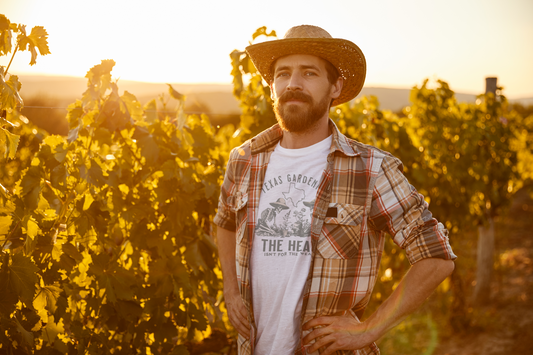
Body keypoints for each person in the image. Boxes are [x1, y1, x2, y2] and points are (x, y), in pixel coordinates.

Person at [214, 25, 456, 355]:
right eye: (283, 73)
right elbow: (225, 221)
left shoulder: (371, 169)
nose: (293, 84)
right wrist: (230, 288)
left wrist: (369, 328)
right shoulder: (244, 159)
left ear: (335, 86)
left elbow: (436, 257)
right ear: (272, 87)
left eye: (309, 73)